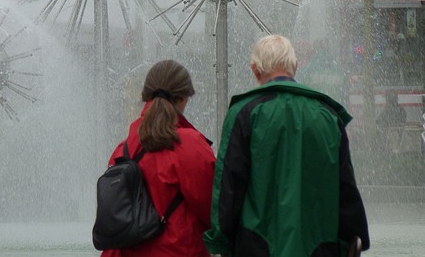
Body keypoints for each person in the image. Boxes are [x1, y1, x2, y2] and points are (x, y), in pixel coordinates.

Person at [203, 35, 369, 257]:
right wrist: (354, 237)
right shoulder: (328, 116)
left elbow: (229, 187)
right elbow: (345, 187)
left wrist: (221, 242)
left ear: (255, 69)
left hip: (256, 247)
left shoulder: (244, 114)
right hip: (320, 247)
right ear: (296, 67)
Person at [102, 59, 217, 257]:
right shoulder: (189, 146)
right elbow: (213, 210)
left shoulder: (123, 150)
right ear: (182, 98)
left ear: (146, 96)